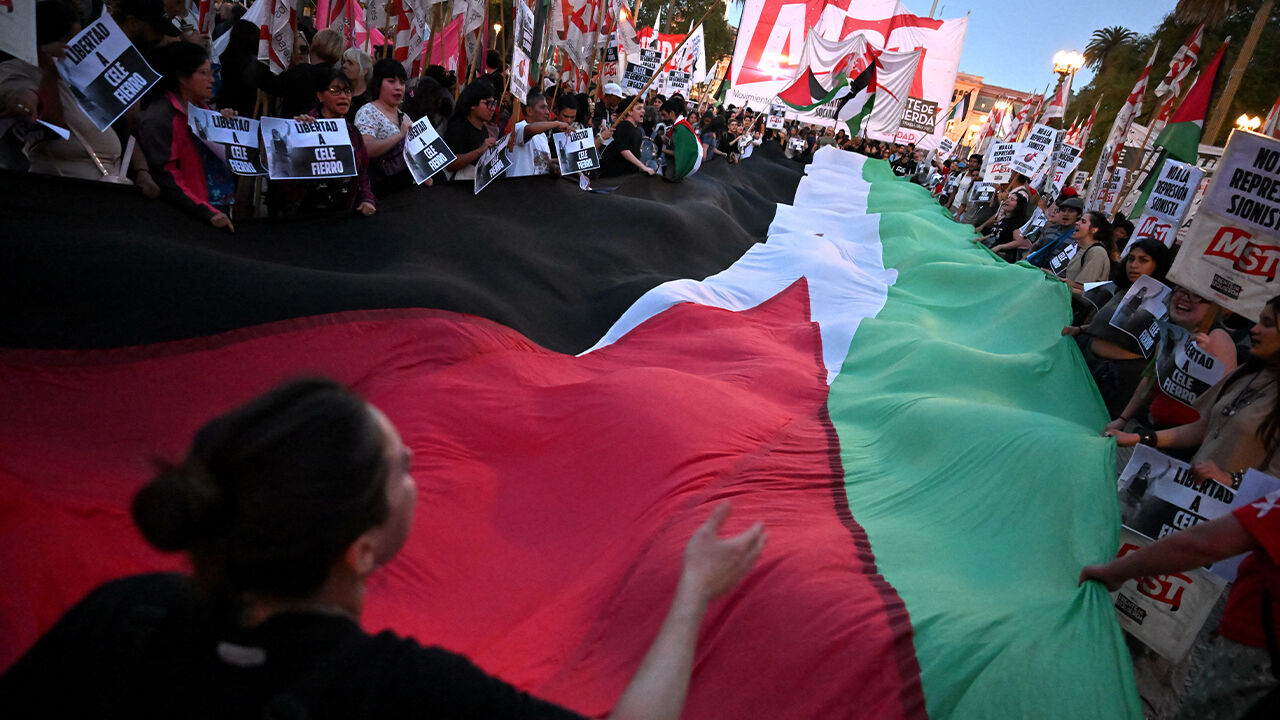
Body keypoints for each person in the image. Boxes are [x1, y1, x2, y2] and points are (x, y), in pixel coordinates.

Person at [0, 378, 766, 718]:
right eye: (400, 467)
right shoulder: (403, 692)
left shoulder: (124, 617)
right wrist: (694, 590)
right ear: (361, 552)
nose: (415, 465)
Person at [0, 0, 156, 196]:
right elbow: (49, 120)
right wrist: (49, 75)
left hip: (112, 186)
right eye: (71, 40)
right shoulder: (18, 71)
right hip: (65, 193)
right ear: (45, 42)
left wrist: (142, 171)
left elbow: (125, 125)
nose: (77, 47)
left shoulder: (85, 70)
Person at [1103, 286, 1237, 457]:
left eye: (1196, 295)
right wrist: (1122, 420)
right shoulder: (1172, 334)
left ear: (1213, 305)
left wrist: (1203, 363)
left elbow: (1223, 403)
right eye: (1180, 290)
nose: (1184, 297)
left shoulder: (1218, 340)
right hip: (1151, 431)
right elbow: (1149, 381)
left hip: (1183, 448)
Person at [1063, 239, 1174, 417]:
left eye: (1143, 260)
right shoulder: (1121, 289)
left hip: (1118, 380)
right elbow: (1112, 324)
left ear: (1158, 265)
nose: (1134, 265)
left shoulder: (1166, 303)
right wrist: (1080, 330)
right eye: (1131, 259)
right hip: (1087, 364)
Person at [140, 41, 236, 231]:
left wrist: (227, 125)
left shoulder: (204, 112)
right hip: (188, 219)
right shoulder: (160, 118)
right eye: (204, 73)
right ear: (182, 77)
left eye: (212, 73)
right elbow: (166, 176)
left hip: (216, 208)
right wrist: (205, 212)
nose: (212, 80)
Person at [278, 69, 377, 217]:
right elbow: (285, 175)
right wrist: (298, 136)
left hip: (343, 213)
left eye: (347, 91)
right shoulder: (302, 125)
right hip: (305, 215)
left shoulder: (353, 132)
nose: (343, 96)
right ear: (320, 95)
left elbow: (362, 173)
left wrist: (367, 199)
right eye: (335, 91)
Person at [354, 59, 417, 196]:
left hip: (406, 193)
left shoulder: (404, 116)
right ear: (378, 84)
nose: (398, 87)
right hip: (379, 193)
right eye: (391, 81)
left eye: (402, 82)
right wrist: (399, 136)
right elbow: (366, 148)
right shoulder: (367, 112)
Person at [505, 92, 570, 178]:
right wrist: (556, 123)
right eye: (543, 107)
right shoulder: (518, 127)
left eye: (547, 108)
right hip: (519, 185)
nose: (547, 112)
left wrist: (552, 165)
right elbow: (530, 129)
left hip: (537, 185)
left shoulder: (542, 136)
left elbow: (539, 164)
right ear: (529, 110)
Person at [444, 81, 498, 181]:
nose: (493, 108)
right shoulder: (458, 127)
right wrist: (480, 150)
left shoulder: (483, 129)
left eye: (494, 103)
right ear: (472, 105)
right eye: (488, 103)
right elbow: (450, 164)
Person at [1052, 210, 1114, 288]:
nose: (1077, 223)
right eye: (1079, 220)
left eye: (1083, 222)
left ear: (1093, 230)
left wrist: (1055, 279)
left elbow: (1082, 288)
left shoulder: (1097, 252)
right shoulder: (1081, 248)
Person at [599, 97, 654, 178]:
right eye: (639, 108)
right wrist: (643, 167)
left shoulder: (638, 130)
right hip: (615, 176)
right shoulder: (623, 126)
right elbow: (624, 150)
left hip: (628, 176)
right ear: (630, 112)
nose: (643, 111)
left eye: (643, 108)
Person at [341, 48, 375, 119]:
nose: (344, 66)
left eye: (350, 63)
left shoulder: (373, 98)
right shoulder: (337, 92)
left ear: (364, 70)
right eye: (344, 62)